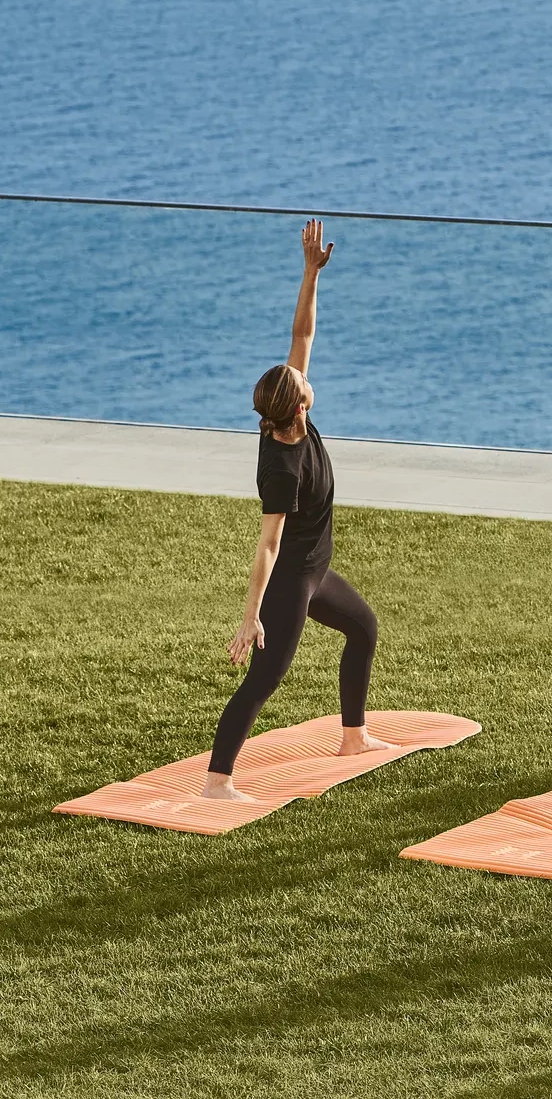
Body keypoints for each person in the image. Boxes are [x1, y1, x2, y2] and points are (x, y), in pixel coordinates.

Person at [202, 220, 383, 803]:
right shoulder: (282, 468)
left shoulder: (288, 414)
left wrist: (310, 273)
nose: (306, 375)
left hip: (315, 568)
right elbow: (268, 547)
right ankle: (217, 782)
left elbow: (301, 335)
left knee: (363, 628)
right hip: (290, 580)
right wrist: (251, 615)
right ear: (298, 405)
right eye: (302, 382)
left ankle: (352, 736)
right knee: (264, 679)